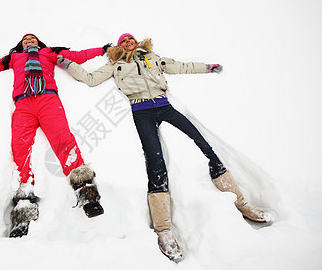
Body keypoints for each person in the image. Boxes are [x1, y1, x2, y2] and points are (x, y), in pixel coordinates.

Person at [57, 33, 271, 261]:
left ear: (136, 42)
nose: (128, 42)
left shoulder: (152, 57)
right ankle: (164, 230)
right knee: (155, 162)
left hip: (164, 105)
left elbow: (180, 66)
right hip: (141, 111)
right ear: (119, 47)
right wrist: (67, 64)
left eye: (131, 39)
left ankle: (241, 202)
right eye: (123, 41)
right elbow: (90, 79)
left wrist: (208, 67)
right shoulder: (116, 64)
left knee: (203, 144)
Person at [0, 33, 111, 238]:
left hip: (47, 100)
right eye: (26, 39)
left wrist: (102, 50)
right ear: (20, 44)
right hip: (24, 105)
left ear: (39, 42)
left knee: (63, 141)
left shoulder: (49, 53)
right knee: (20, 151)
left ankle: (87, 194)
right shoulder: (13, 58)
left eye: (33, 39)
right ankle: (23, 210)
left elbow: (78, 56)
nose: (29, 41)